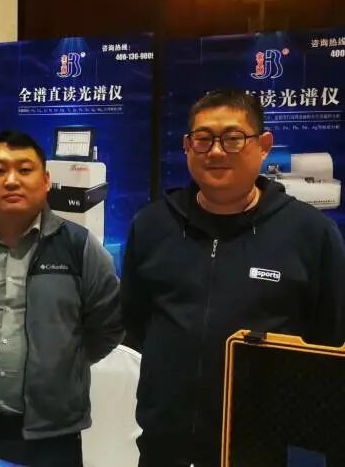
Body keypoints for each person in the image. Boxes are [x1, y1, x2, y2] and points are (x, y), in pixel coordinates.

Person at [120, 89, 345, 467]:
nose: (216, 151)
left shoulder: (311, 234)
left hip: (261, 451)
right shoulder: (153, 225)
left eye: (233, 138)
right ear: (188, 146)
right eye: (203, 139)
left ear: (264, 146)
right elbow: (136, 324)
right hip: (163, 447)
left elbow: (332, 347)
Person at [0, 130, 123, 467]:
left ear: (46, 181)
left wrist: (63, 364)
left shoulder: (79, 248)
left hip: (53, 437)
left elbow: (109, 325)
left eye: (25, 170)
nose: (12, 180)